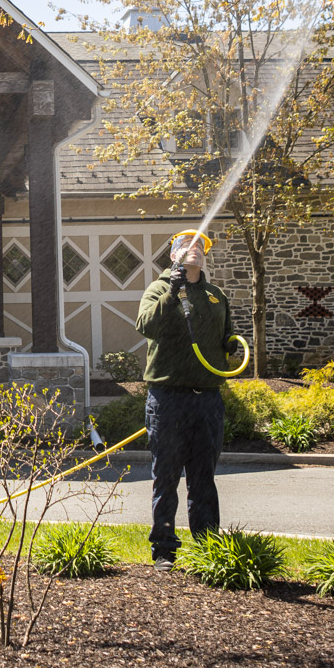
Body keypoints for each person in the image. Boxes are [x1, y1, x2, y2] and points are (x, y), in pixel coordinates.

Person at [137, 230, 240, 569]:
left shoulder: (215, 294)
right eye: (186, 245)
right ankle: (164, 551)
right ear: (173, 255)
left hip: (207, 399)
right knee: (166, 477)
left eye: (200, 246)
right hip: (168, 399)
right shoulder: (158, 289)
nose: (194, 249)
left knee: (204, 478)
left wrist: (229, 344)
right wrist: (173, 289)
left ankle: (209, 548)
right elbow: (147, 326)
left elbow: (226, 331)